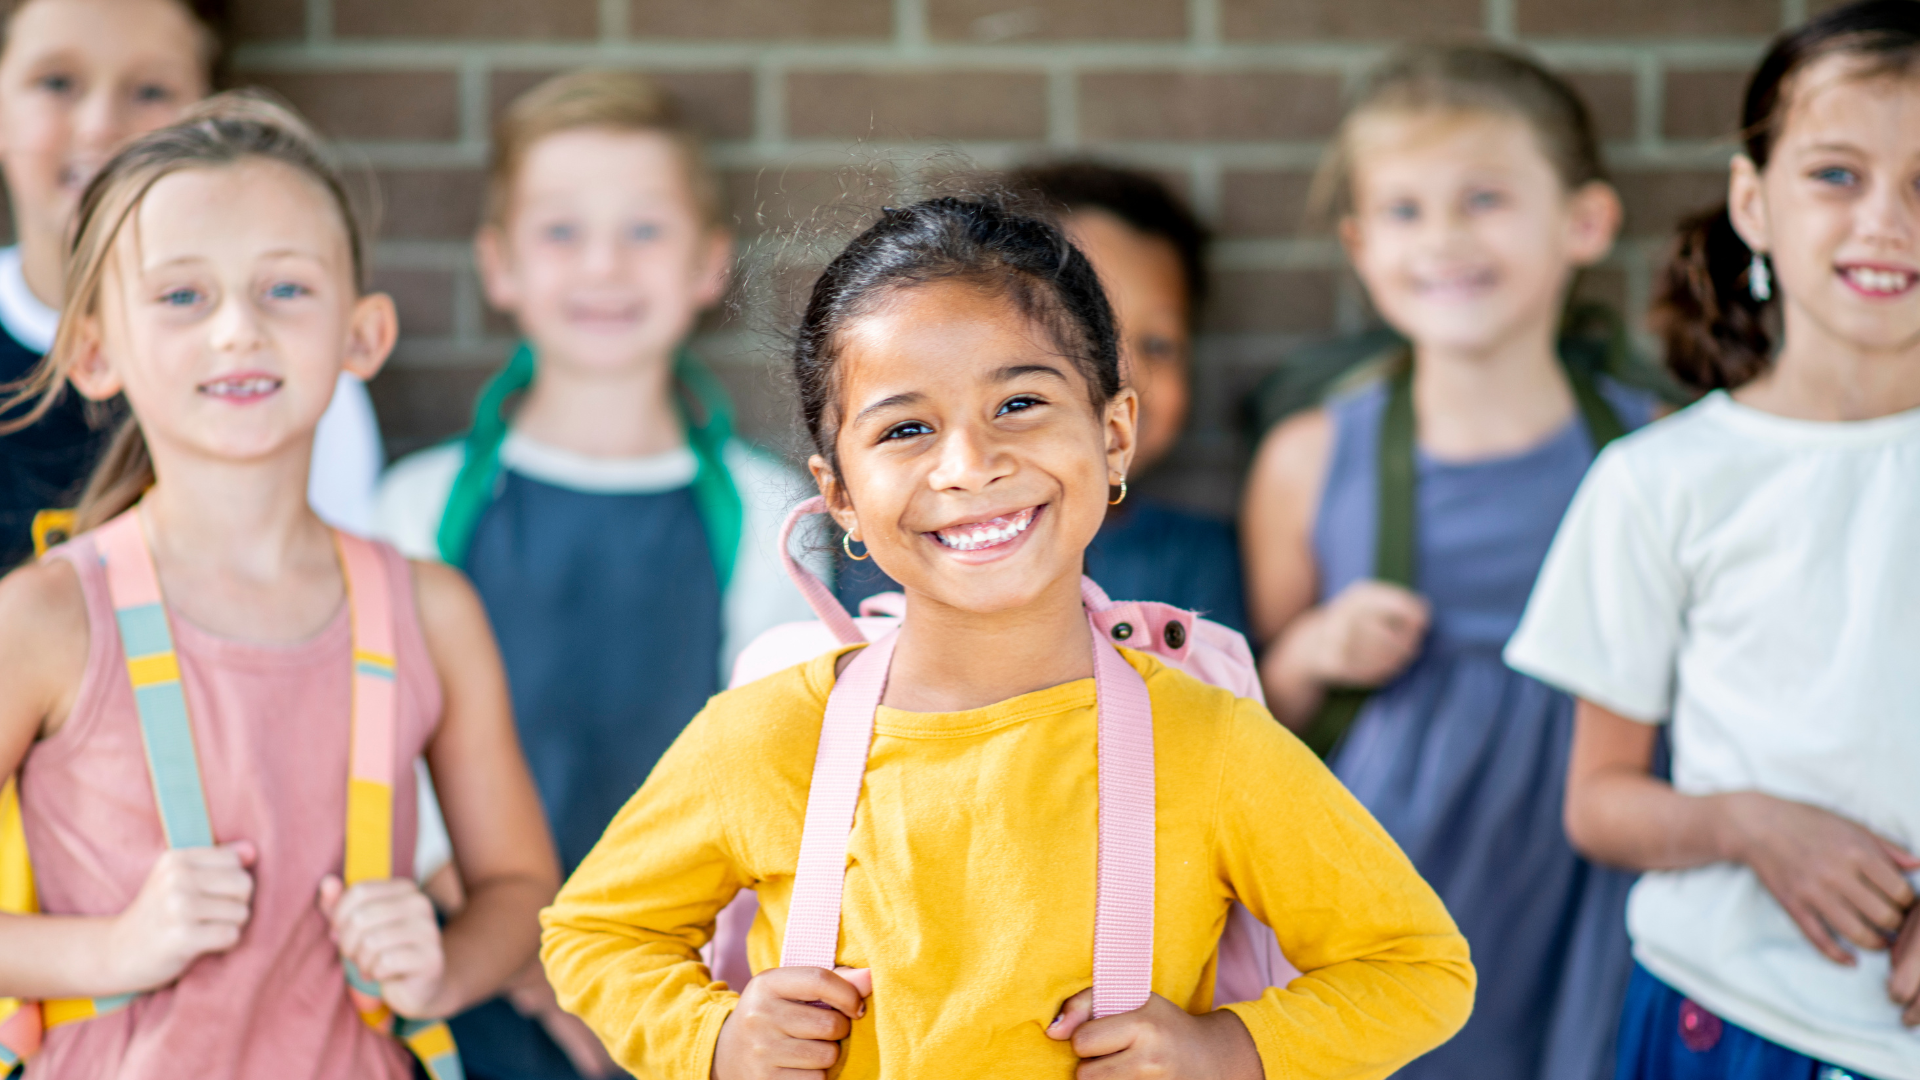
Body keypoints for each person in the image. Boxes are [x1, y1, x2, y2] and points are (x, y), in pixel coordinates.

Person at [540, 195, 1474, 1080]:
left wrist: (1230, 1051)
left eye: (1019, 404)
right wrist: (716, 1040)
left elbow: (1416, 968)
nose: (970, 464)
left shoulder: (1212, 745)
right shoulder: (767, 736)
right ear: (840, 498)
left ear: (1114, 435)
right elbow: (593, 934)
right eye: (906, 428)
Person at [0, 94, 556, 1078]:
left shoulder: (432, 612)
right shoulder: (47, 619)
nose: (237, 330)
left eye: (286, 288)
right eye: (182, 295)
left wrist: (443, 969)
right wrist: (113, 949)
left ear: (362, 333)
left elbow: (519, 889)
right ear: (92, 350)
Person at [374, 70, 815, 1080]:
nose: (604, 264)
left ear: (709, 264)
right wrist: (525, 953)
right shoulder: (421, 503)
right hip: (466, 968)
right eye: (563, 231)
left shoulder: (766, 508)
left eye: (644, 230)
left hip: (689, 979)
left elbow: (774, 756)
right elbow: (386, 751)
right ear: (499, 265)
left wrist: (637, 970)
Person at [1506, 4, 1920, 1078]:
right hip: (1729, 1022)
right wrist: (1750, 826)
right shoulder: (1660, 482)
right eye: (1837, 175)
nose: (1887, 220)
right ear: (1753, 202)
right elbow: (1599, 803)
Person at [1240, 45, 1655, 1080]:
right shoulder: (1310, 459)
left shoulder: (1659, 452)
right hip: (1397, 867)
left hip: (1594, 865)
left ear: (1585, 223)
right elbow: (1252, 710)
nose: (1443, 239)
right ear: (1360, 245)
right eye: (1405, 210)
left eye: (1484, 199)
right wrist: (1317, 648)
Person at [0, 0, 385, 569]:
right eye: (57, 83)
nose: (100, 125)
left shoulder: (296, 371)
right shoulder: (39, 611)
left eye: (151, 91)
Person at [836, 162, 1248, 633]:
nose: (1123, 372)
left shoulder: (1201, 554)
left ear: (1119, 429)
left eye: (1157, 345)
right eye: (1094, 333)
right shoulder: (903, 540)